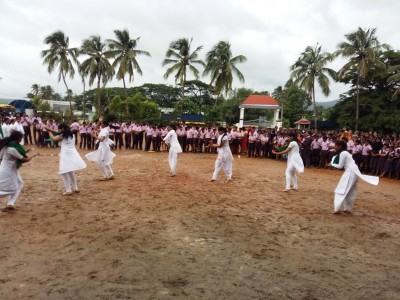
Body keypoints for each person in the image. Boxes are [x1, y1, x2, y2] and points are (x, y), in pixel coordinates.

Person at [330, 140, 379, 214]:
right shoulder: (345, 152)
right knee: (350, 191)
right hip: (354, 171)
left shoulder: (343, 153)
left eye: (336, 145)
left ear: (340, 146)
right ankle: (347, 208)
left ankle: (337, 209)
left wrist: (332, 164)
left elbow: (340, 166)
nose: (335, 147)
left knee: (341, 189)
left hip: (350, 171)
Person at [44, 123, 87, 195]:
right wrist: (49, 129)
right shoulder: (71, 134)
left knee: (64, 172)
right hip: (72, 153)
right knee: (71, 171)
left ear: (63, 129)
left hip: (66, 154)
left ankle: (68, 190)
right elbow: (57, 132)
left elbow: (54, 138)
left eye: (60, 129)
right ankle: (75, 188)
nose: (59, 131)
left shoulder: (64, 135)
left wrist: (48, 131)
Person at [0, 131, 38, 211]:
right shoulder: (12, 148)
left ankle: (10, 203)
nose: (21, 140)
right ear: (18, 138)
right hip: (8, 170)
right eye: (21, 138)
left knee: (20, 184)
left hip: (10, 169)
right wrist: (32, 156)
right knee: (12, 189)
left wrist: (25, 151)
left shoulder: (7, 145)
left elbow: (2, 157)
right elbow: (24, 159)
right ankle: (10, 202)